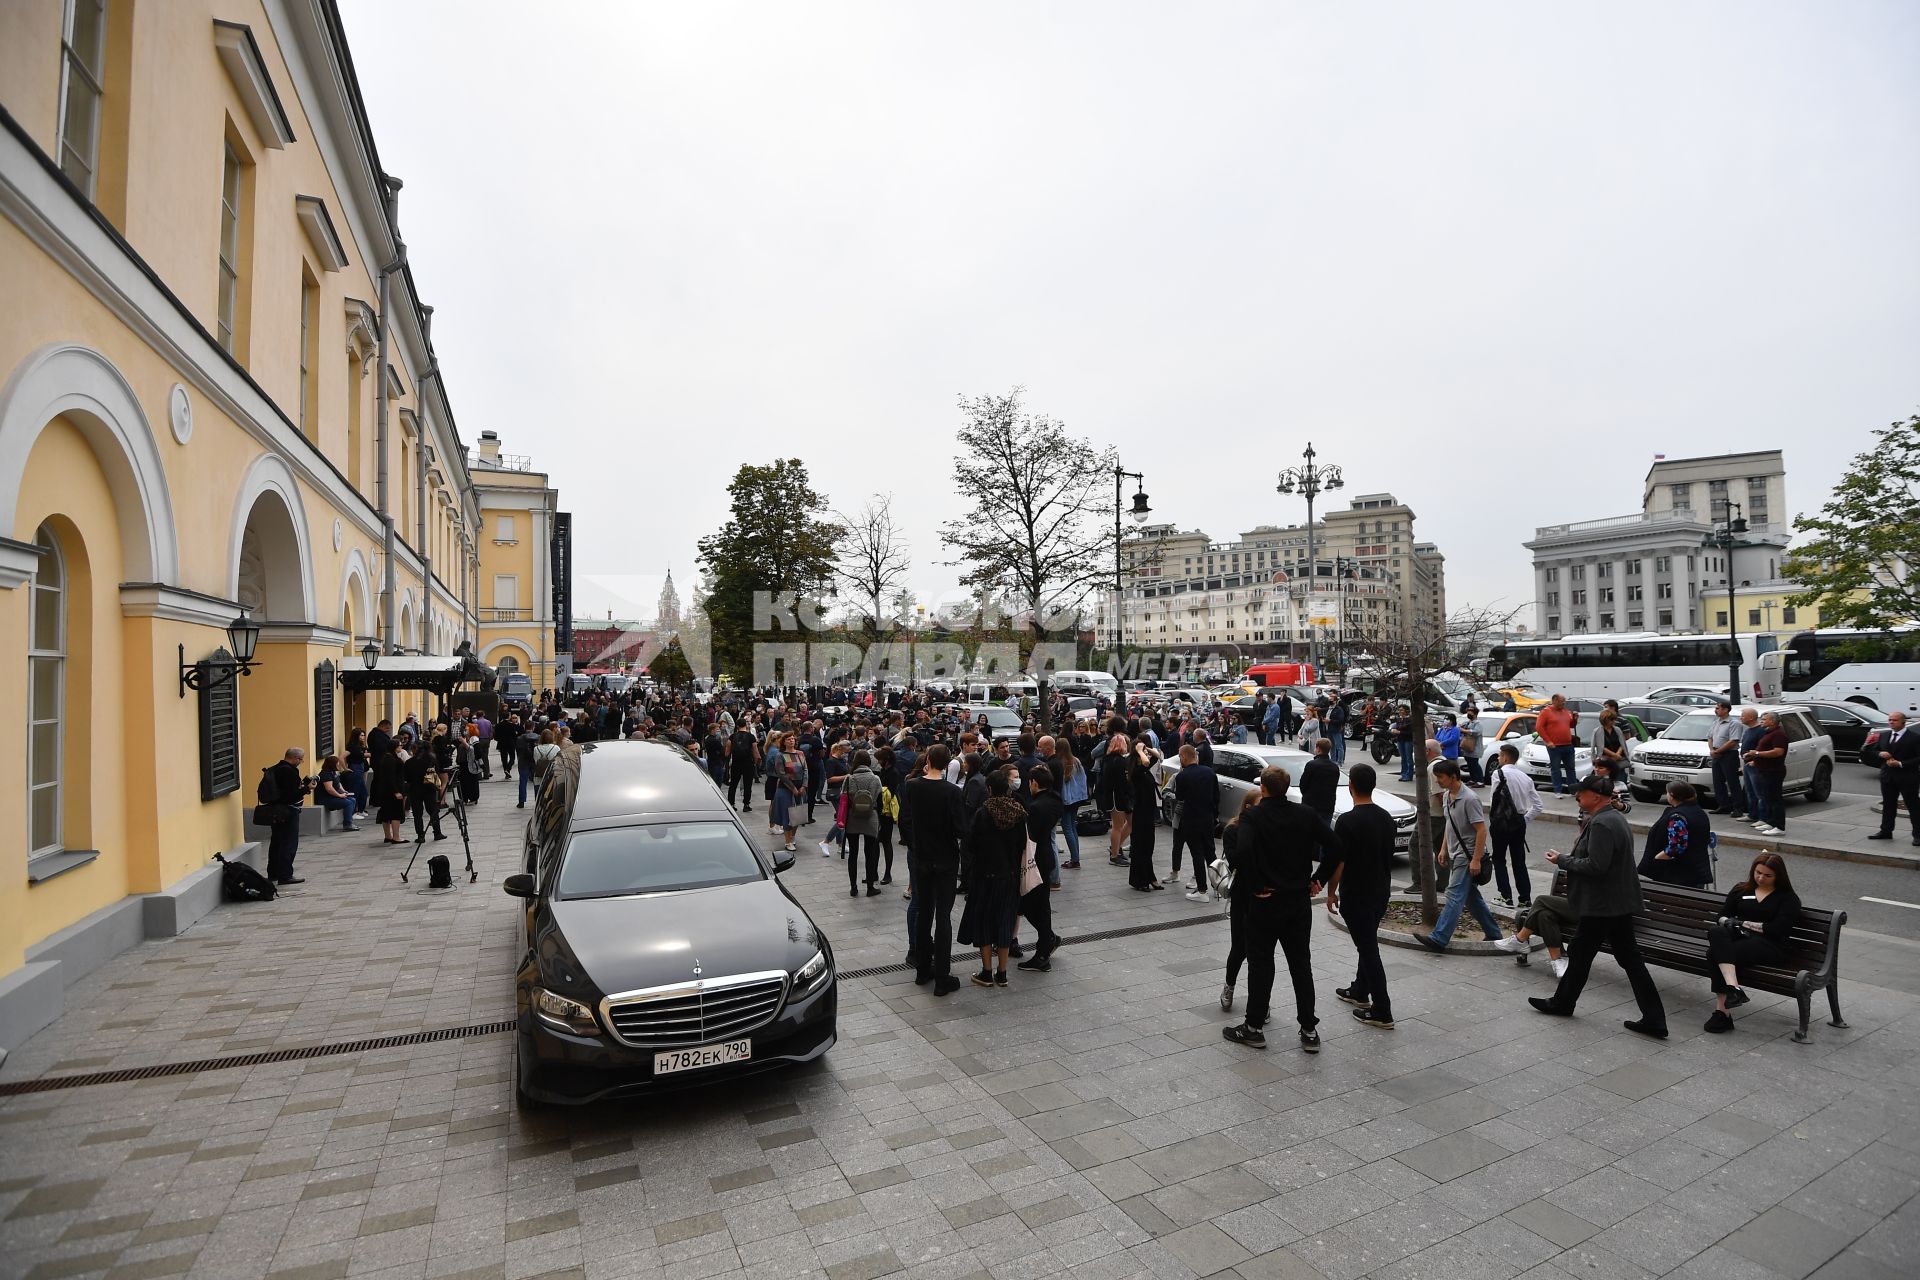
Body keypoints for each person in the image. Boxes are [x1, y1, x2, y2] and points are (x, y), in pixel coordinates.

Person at [1528, 774, 1668, 1039]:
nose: (1577, 797)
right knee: (1623, 959)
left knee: (1584, 954)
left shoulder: (1603, 822)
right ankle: (1654, 1018)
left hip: (1603, 904)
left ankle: (1563, 1003)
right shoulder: (1613, 818)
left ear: (1596, 796)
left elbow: (1596, 866)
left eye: (1581, 793)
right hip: (1616, 903)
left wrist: (1562, 860)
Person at [1221, 765, 1340, 1052]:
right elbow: (1336, 845)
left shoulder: (1253, 816)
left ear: (1263, 788)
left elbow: (1244, 852)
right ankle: (1309, 1030)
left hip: (1265, 901)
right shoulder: (1305, 813)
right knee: (1301, 965)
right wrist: (1319, 879)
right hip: (1297, 901)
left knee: (1261, 964)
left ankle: (1253, 1028)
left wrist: (1255, 883)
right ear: (1286, 788)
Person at [1326, 763, 1396, 1029]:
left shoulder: (1347, 820)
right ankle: (1359, 990)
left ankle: (1382, 1010)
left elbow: (1338, 861)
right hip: (1381, 891)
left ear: (1351, 787)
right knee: (1366, 943)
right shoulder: (1385, 817)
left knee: (1368, 950)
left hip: (1357, 893)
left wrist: (1331, 892)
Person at [1412, 759, 1504, 952]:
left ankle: (1439, 938)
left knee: (1453, 895)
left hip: (1468, 855)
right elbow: (1449, 824)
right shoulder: (1447, 796)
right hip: (1455, 852)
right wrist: (1444, 849)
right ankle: (1494, 933)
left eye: (1440, 777)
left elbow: (1481, 831)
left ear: (1453, 777)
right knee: (1471, 898)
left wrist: (1476, 859)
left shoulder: (1470, 799)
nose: (1437, 781)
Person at [1704, 853, 1802, 1032]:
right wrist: (1728, 922)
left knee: (1714, 953)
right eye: (1758, 872)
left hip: (1771, 945)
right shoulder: (1740, 889)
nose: (1761, 878)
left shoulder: (1788, 898)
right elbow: (1720, 917)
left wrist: (1742, 923)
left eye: (1767, 875)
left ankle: (1722, 1013)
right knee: (1716, 932)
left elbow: (1777, 929)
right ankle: (1733, 989)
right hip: (1741, 940)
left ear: (1778, 876)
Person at [901, 745, 964, 996]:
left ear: (927, 760)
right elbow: (961, 828)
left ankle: (922, 969)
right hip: (946, 859)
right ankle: (942, 976)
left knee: (924, 913)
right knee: (943, 916)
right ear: (948, 764)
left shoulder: (912, 787)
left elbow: (905, 820)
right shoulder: (952, 792)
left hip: (922, 858)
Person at [1018, 765, 1064, 972]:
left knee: (1031, 905)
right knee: (1041, 904)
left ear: (1034, 783)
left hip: (1035, 859)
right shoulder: (1056, 800)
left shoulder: (1036, 807)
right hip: (1046, 857)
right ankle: (1048, 940)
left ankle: (1045, 946)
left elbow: (1031, 836)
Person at [1487, 743, 1544, 906]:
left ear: (1505, 757)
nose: (1498, 758)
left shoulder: (1498, 774)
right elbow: (1538, 805)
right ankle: (1525, 898)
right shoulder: (1525, 777)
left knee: (1499, 859)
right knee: (1519, 860)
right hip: (1519, 821)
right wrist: (1524, 818)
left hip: (1501, 822)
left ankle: (1506, 896)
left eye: (1499, 755)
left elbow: (1494, 799)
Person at [1639, 781, 1714, 888]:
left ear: (1672, 795)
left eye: (1667, 792)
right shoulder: (1699, 812)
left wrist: (1658, 857)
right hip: (1696, 870)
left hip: (1677, 874)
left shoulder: (1677, 816)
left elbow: (1677, 846)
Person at [1170, 744, 1219, 902]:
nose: (1179, 759)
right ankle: (1217, 887)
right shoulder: (1210, 772)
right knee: (1211, 853)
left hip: (1191, 819)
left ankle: (1202, 891)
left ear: (1184, 757)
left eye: (1179, 756)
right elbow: (1216, 797)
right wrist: (1215, 815)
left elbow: (1180, 796)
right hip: (1208, 818)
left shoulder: (1182, 776)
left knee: (1197, 854)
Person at [1868, 711, 1920, 846]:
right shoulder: (1884, 735)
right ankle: (1886, 831)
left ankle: (1918, 835)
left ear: (1903, 722)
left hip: (1908, 778)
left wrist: (1901, 764)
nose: (1891, 722)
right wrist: (1880, 753)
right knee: (1888, 805)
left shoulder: (1914, 738)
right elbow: (1871, 751)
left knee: (1913, 806)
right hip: (1888, 777)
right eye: (1890, 720)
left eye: (1895, 720)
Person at [842, 750, 885, 897]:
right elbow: (880, 803)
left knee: (853, 854)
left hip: (853, 818)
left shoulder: (849, 779)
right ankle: (870, 887)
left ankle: (853, 887)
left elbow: (844, 801)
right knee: (870, 853)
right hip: (870, 817)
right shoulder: (876, 779)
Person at [1744, 710, 1789, 837]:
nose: (1761, 721)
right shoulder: (1769, 733)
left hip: (1773, 772)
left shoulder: (1779, 735)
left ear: (1772, 721)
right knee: (1767, 798)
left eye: (1764, 719)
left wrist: (1757, 754)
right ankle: (1770, 822)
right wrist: (1755, 760)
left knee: (1775, 800)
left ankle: (1779, 827)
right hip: (1763, 770)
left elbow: (1778, 752)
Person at [1127, 740, 1164, 891]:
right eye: (1143, 753)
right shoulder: (1136, 771)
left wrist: (1145, 747)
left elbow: (1157, 757)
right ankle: (1140, 880)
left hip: (1148, 812)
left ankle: (1151, 877)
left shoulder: (1144, 769)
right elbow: (1147, 762)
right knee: (1141, 847)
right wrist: (1140, 751)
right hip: (1140, 813)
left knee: (1149, 846)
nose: (1146, 754)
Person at [404, 737, 446, 844]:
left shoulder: (409, 762)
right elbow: (437, 772)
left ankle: (420, 835)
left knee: (417, 814)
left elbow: (407, 778)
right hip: (429, 788)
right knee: (433, 810)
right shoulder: (431, 759)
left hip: (414, 789)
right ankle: (437, 833)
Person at [1707, 701, 1743, 817]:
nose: (1715, 710)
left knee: (1732, 782)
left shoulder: (1734, 723)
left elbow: (1733, 741)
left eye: (1718, 708)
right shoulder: (1715, 722)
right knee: (1718, 782)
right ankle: (1723, 806)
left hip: (1729, 755)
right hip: (1716, 754)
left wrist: (1718, 751)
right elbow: (1710, 737)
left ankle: (1738, 808)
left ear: (1726, 709)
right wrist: (1712, 750)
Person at [1536, 694, 1577, 795]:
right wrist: (1548, 741)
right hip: (1555, 746)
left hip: (1568, 744)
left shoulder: (1566, 712)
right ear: (1554, 700)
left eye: (1564, 701)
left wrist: (1575, 719)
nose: (1564, 703)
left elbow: (1571, 725)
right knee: (1556, 768)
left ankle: (1573, 790)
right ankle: (1558, 790)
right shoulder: (1546, 711)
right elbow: (1539, 727)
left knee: (1571, 768)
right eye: (1562, 701)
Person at [371, 737, 407, 844]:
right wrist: (396, 791)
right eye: (400, 745)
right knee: (396, 813)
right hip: (392, 791)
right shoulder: (390, 759)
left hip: (386, 790)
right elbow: (390, 777)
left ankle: (388, 836)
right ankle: (396, 837)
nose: (401, 746)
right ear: (394, 747)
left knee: (386, 813)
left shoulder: (388, 757)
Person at [1298, 738, 1339, 826]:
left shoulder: (1311, 765)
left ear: (1318, 749)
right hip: (1328, 805)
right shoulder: (1334, 767)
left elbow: (1303, 785)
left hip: (1311, 804)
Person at [314, 755, 360, 832]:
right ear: (332, 764)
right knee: (348, 803)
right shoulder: (325, 774)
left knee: (352, 800)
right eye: (337, 763)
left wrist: (343, 791)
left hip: (332, 796)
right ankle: (347, 825)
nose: (338, 765)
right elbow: (329, 789)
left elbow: (338, 784)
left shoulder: (333, 772)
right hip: (326, 798)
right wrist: (339, 795)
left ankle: (349, 822)